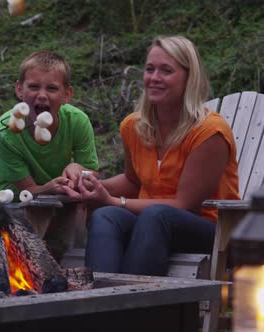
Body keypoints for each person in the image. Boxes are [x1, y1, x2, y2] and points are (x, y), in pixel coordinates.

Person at [66, 35, 240, 276]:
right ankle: (98, 303)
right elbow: (133, 181)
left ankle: (138, 307)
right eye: (150, 69)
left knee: (155, 215)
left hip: (213, 231)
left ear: (189, 78)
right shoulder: (134, 126)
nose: (154, 78)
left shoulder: (210, 133)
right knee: (106, 216)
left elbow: (183, 206)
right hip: (150, 224)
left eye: (166, 71)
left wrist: (114, 201)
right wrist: (90, 185)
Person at [0, 50, 99, 258]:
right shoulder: (6, 132)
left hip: (57, 196)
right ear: (19, 90)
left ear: (67, 94)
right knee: (29, 215)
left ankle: (65, 261)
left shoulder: (77, 122)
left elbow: (93, 172)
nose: (42, 95)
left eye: (52, 88)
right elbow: (29, 190)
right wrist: (49, 188)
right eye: (33, 86)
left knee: (78, 205)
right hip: (15, 200)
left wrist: (78, 169)